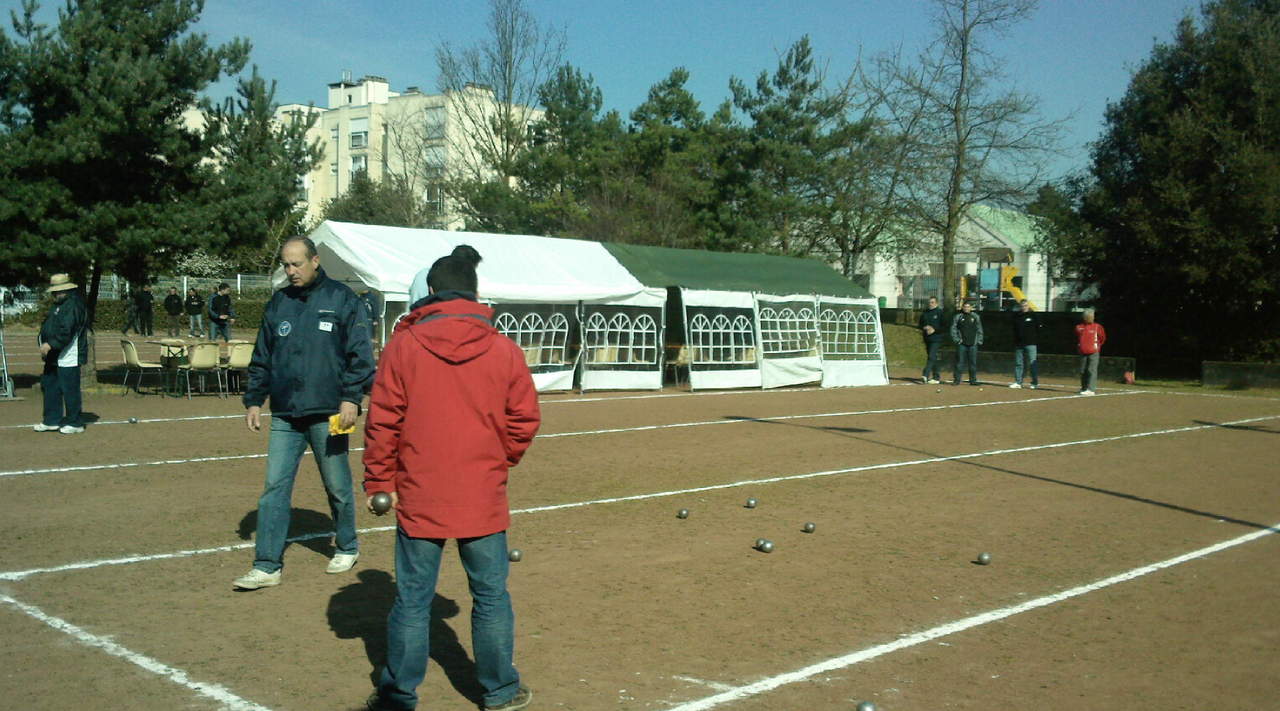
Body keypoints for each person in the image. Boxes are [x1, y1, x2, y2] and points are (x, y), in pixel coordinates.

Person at [361, 252, 539, 711]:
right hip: (481, 491)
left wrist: (379, 480)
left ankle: (400, 693)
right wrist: (501, 459)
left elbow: (382, 422)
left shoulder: (403, 345)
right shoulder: (504, 348)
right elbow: (525, 419)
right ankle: (499, 690)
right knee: (490, 597)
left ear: (432, 293)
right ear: (474, 293)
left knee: (413, 600)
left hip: (422, 491)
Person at [233, 237, 375, 591]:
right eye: (285, 264)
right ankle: (267, 565)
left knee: (337, 485)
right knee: (274, 488)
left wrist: (351, 398)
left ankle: (346, 545)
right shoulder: (278, 301)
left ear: (314, 260)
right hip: (285, 413)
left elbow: (360, 354)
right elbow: (262, 354)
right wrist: (254, 399)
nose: (290, 271)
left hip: (329, 412)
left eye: (296, 264)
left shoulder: (342, 299)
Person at [35, 274, 88, 434]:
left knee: (70, 389)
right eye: (54, 291)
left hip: (69, 355)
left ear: (68, 289)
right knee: (51, 386)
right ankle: (51, 420)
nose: (56, 294)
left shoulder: (73, 305)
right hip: (55, 355)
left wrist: (50, 344)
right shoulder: (58, 305)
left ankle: (75, 422)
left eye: (59, 291)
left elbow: (67, 331)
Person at [950, 300, 983, 386]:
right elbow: (953, 329)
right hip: (962, 344)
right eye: (965, 307)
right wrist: (957, 340)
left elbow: (979, 329)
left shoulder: (975, 317)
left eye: (968, 307)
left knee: (973, 363)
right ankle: (957, 380)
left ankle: (973, 380)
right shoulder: (958, 317)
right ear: (962, 307)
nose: (966, 308)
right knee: (959, 363)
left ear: (971, 308)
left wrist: (979, 340)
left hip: (973, 344)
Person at [1010, 299, 1040, 389]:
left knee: (1032, 363)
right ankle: (1018, 382)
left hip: (1031, 343)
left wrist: (1034, 338)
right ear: (1020, 306)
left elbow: (1038, 328)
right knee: (1018, 363)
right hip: (1019, 344)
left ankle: (1034, 382)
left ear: (1028, 306)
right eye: (1022, 306)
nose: (1024, 307)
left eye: (1026, 305)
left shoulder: (1033, 315)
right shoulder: (1017, 316)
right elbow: (1014, 329)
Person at [1076, 308, 1107, 396]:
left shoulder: (1098, 327)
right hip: (1082, 351)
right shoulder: (1079, 327)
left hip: (1094, 351)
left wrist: (1097, 346)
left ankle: (1091, 389)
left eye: (1091, 316)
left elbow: (1102, 338)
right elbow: (1079, 338)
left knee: (1091, 370)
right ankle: (1084, 387)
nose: (1090, 317)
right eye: (1088, 316)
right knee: (1083, 370)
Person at [917, 295, 945, 384]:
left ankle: (925, 374)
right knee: (933, 358)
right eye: (929, 302)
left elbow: (945, 326)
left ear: (936, 303)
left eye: (932, 302)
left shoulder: (940, 313)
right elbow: (920, 324)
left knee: (931, 356)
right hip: (927, 338)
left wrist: (934, 330)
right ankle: (936, 377)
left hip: (936, 339)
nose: (930, 304)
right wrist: (925, 327)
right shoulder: (925, 313)